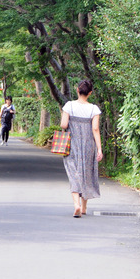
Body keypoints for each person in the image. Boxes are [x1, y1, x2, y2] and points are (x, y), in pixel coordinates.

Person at [59, 79, 103, 218]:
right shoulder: (94, 109)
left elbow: (64, 125)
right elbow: (95, 129)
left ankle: (76, 204)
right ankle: (83, 207)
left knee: (74, 174)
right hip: (89, 145)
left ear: (77, 90)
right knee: (86, 174)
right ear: (90, 93)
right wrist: (99, 149)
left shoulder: (69, 106)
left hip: (71, 145)